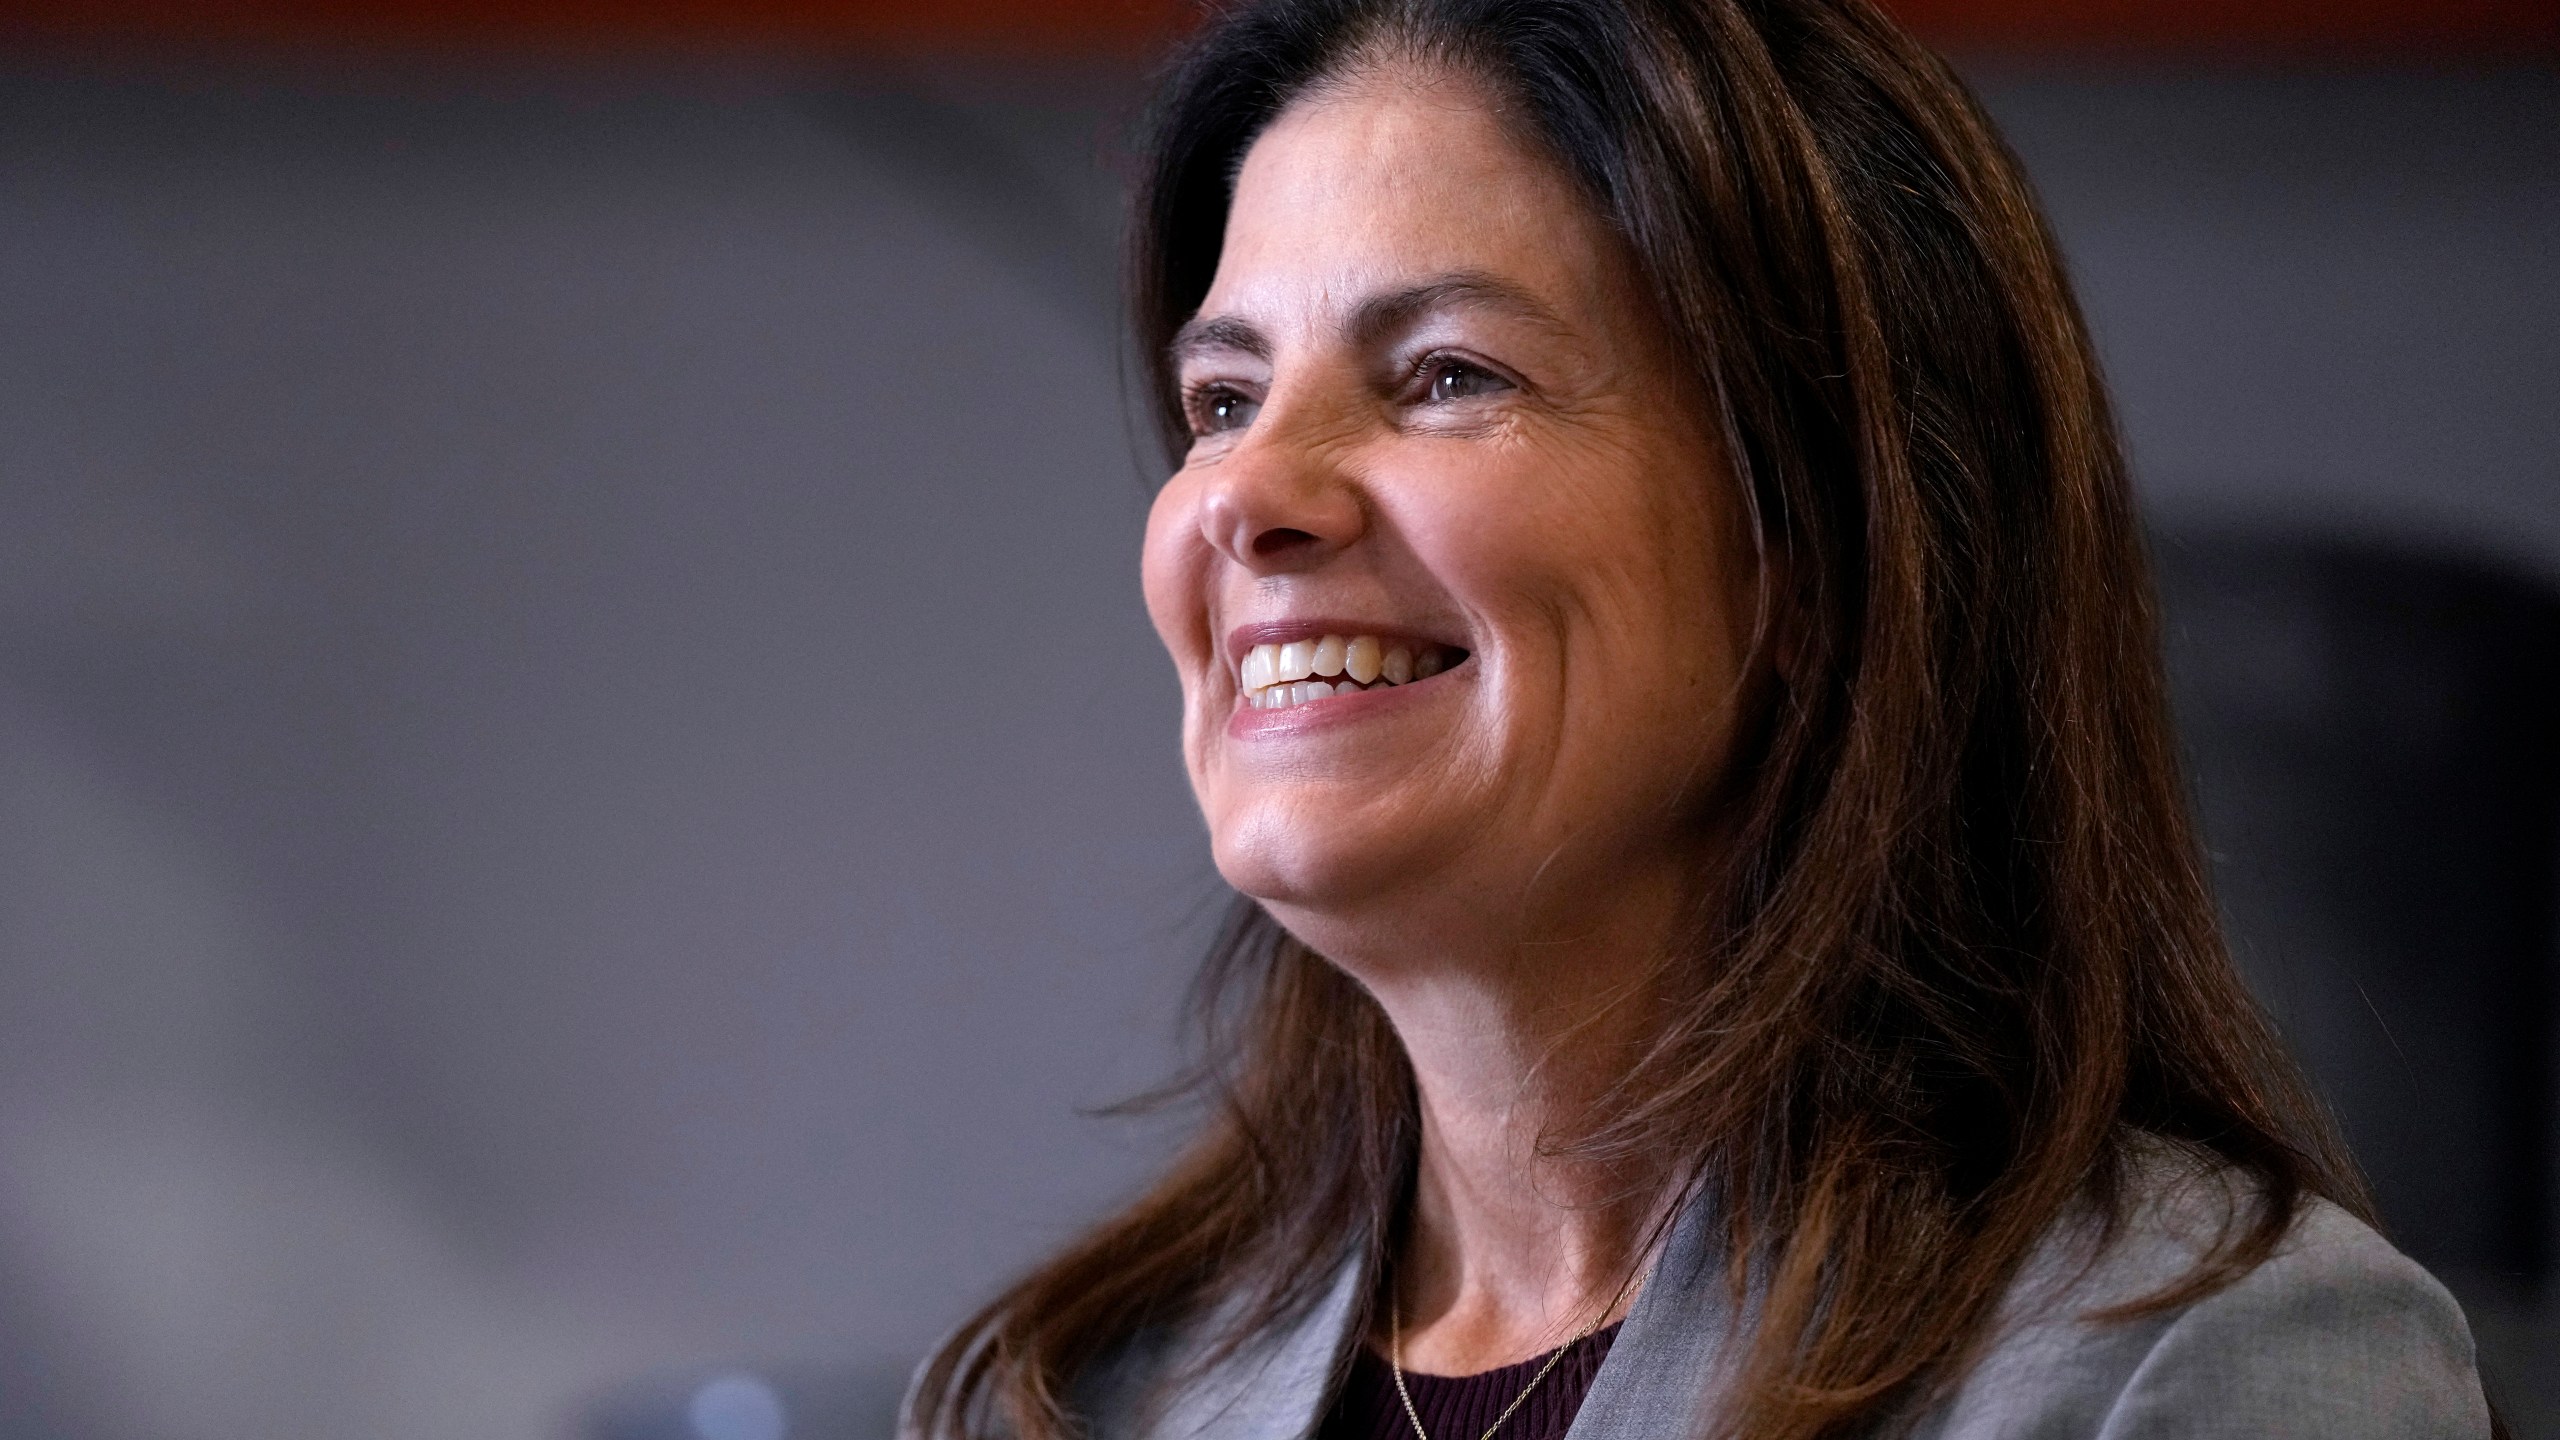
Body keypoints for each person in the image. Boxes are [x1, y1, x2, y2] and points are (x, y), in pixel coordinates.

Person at [907, 0, 2496, 1436]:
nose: (1244, 494)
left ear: (1819, 555)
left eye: (1450, 373)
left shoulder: (2200, 1364)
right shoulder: (1063, 1398)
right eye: (1224, 400)